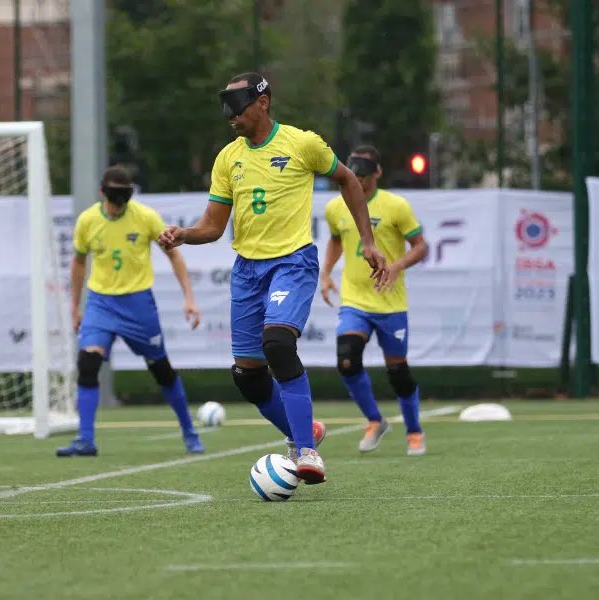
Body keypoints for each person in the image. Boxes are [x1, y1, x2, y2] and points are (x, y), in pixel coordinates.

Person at [158, 72, 391, 484]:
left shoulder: (302, 143)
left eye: (237, 106)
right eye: (225, 109)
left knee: (279, 345)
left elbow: (348, 180)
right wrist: (182, 235)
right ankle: (305, 431)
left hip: (293, 262)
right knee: (247, 375)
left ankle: (306, 451)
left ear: (262, 102)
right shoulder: (228, 158)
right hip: (247, 271)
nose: (230, 117)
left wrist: (368, 242)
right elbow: (213, 226)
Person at [57, 166, 204, 457]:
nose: (117, 203)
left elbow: (173, 253)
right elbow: (78, 263)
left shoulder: (146, 217)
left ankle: (189, 431)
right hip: (100, 303)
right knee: (88, 364)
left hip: (138, 305)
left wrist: (189, 297)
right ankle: (85, 439)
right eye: (114, 196)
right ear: (102, 193)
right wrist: (74, 307)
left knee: (161, 370)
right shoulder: (87, 221)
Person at [321, 145, 429, 455]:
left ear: (378, 173)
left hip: (390, 302)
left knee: (398, 371)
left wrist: (396, 266)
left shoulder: (396, 206)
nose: (361, 182)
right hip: (355, 300)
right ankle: (374, 420)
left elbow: (420, 246)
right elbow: (336, 240)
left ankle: (414, 432)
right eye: (356, 176)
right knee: (347, 359)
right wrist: (326, 273)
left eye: (366, 176)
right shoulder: (335, 207)